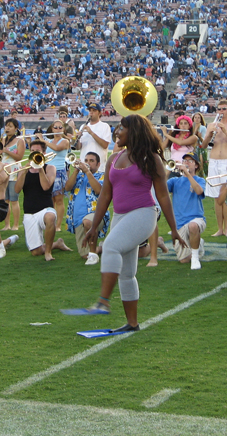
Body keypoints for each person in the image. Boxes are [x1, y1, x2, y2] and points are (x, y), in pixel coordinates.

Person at [78, 114, 186, 332]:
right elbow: (105, 196)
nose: (117, 132)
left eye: (121, 128)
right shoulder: (113, 159)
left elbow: (163, 196)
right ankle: (132, 323)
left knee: (110, 246)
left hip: (144, 214)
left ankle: (103, 301)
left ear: (133, 132)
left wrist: (173, 229)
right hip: (120, 216)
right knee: (127, 274)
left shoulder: (150, 159)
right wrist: (94, 226)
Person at [14, 139, 72, 260]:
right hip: (29, 212)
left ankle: (48, 252)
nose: (34, 153)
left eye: (38, 151)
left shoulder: (50, 168)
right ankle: (57, 244)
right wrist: (24, 171)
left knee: (50, 217)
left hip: (45, 209)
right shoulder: (24, 169)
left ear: (44, 153)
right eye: (32, 151)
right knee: (36, 252)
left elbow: (46, 187)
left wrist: (40, 168)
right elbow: (17, 190)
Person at [201, 100, 227, 237]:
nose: (221, 111)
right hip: (214, 161)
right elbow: (203, 145)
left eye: (224, 109)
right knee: (216, 196)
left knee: (225, 196)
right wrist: (209, 134)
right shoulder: (211, 125)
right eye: (219, 109)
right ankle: (220, 228)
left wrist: (225, 131)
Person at [65, 151, 108, 265]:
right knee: (84, 254)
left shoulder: (102, 176)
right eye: (86, 160)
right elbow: (67, 187)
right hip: (77, 218)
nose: (88, 163)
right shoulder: (78, 176)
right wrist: (76, 171)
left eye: (92, 161)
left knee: (88, 222)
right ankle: (100, 248)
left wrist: (87, 172)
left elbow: (98, 190)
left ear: (98, 164)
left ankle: (94, 256)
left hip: (96, 214)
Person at [167, 153, 206, 270]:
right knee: (183, 260)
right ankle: (198, 243)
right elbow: (161, 188)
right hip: (180, 224)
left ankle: (195, 258)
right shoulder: (175, 181)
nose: (186, 163)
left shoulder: (200, 180)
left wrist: (188, 174)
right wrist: (168, 169)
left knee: (193, 226)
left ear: (196, 166)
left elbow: (199, 191)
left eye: (190, 161)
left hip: (196, 219)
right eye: (184, 160)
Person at [39, 120, 71, 230]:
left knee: (59, 200)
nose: (57, 129)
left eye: (60, 127)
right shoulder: (49, 141)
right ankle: (51, 223)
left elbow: (56, 148)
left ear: (63, 130)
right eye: (55, 127)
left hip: (59, 172)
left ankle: (58, 226)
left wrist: (43, 140)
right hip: (48, 171)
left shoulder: (65, 141)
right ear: (52, 129)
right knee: (49, 200)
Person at [0, 118, 25, 231]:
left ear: (16, 128)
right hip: (3, 172)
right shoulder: (3, 139)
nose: (7, 128)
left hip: (14, 172)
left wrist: (7, 151)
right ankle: (6, 225)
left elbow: (19, 157)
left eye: (10, 126)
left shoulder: (20, 141)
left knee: (14, 199)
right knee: (5, 200)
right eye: (6, 126)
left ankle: (15, 224)